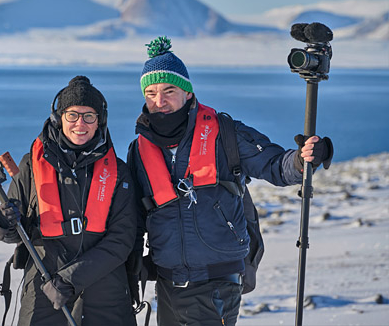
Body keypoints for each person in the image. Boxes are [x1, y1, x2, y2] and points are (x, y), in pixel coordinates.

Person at [126, 37, 333, 326]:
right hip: (168, 284)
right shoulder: (140, 149)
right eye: (150, 92)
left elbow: (275, 166)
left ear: (187, 93)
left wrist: (301, 160)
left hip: (217, 282)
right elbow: (134, 214)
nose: (159, 101)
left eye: (168, 90)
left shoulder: (224, 132)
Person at [0, 75, 138, 325]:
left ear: (100, 121)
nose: (81, 123)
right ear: (59, 118)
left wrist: (70, 279)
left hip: (106, 296)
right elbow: (13, 234)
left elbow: (122, 239)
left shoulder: (119, 173)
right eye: (72, 115)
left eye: (89, 115)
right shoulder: (30, 166)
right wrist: (2, 222)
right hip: (43, 288)